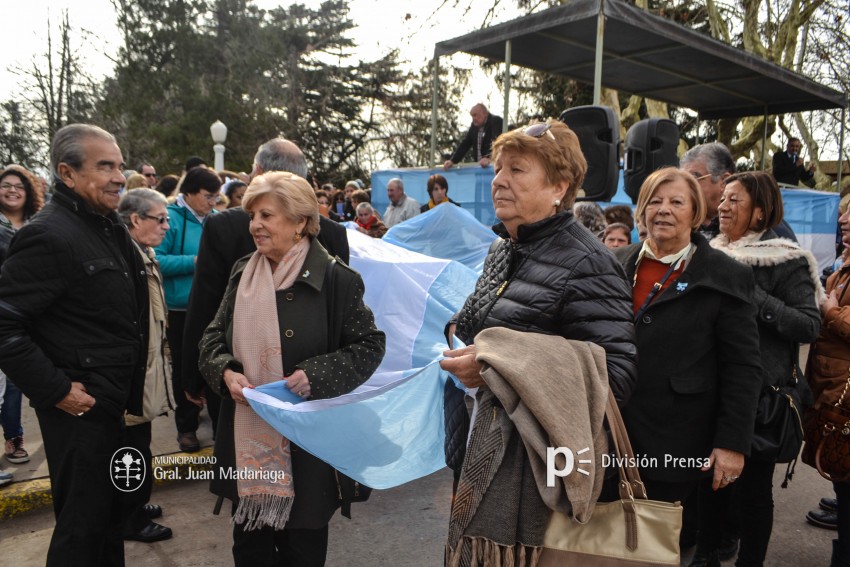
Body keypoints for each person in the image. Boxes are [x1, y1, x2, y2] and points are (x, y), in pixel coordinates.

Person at [440, 120, 638, 563]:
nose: (499, 181)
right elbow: (487, 322)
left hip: (535, 465)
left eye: (517, 170)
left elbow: (616, 378)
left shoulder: (590, 262)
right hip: (480, 443)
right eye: (498, 169)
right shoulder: (503, 247)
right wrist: (460, 332)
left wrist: (498, 368)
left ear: (559, 187)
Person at [198, 171, 385, 566]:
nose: (255, 226)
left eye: (266, 215)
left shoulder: (336, 279)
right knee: (250, 550)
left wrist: (315, 375)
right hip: (248, 443)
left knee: (302, 549)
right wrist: (226, 372)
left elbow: (370, 346)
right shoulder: (243, 271)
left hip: (308, 447)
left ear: (300, 221)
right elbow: (211, 338)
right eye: (252, 216)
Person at [0, 124, 148, 565]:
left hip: (113, 404)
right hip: (80, 410)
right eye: (105, 166)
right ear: (67, 173)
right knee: (82, 530)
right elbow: (5, 326)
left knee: (109, 519)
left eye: (120, 165)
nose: (119, 176)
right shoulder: (49, 234)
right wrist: (58, 391)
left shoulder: (107, 225)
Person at [180, 137, 350, 451]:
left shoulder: (223, 227)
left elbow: (203, 308)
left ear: (258, 171)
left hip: (251, 380)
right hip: (272, 383)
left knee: (249, 467)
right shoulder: (334, 231)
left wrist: (194, 376)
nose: (257, 227)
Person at [689, 171, 822, 567]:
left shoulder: (786, 259)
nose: (723, 207)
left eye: (735, 201)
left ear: (760, 213)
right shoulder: (707, 254)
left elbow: (807, 324)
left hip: (758, 395)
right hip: (706, 388)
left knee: (752, 492)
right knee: (707, 482)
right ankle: (706, 554)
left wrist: (752, 292)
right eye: (723, 199)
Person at [614, 167, 762, 511]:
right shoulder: (613, 263)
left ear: (695, 213)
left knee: (654, 540)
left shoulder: (726, 274)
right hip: (605, 431)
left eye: (676, 202)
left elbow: (742, 367)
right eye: (654, 201)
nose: (663, 209)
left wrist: (732, 444)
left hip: (675, 439)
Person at [117, 188, 177, 544]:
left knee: (139, 443)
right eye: (160, 218)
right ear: (136, 220)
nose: (167, 226)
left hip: (146, 371)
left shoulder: (142, 252)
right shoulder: (127, 258)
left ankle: (136, 505)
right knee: (130, 450)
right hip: (132, 377)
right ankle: (130, 518)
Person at [154, 166, 221, 453]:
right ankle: (187, 428)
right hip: (180, 307)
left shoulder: (216, 220)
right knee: (185, 366)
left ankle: (221, 427)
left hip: (213, 306)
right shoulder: (169, 218)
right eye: (208, 196)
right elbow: (155, 259)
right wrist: (194, 262)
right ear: (189, 193)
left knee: (216, 364)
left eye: (216, 197)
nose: (213, 203)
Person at [805, 205, 850, 567]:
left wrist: (831, 312)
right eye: (844, 214)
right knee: (841, 472)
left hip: (845, 393)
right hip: (833, 389)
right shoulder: (844, 265)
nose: (844, 221)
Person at [0, 165, 44, 465]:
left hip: (34, 315)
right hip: (4, 312)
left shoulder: (38, 224)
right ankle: (13, 438)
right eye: (6, 185)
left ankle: (15, 437)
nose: (13, 189)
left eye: (19, 185)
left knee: (20, 380)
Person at [443, 103, 504, 170]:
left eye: (475, 115)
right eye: (472, 116)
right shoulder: (474, 126)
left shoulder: (496, 121)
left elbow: (496, 140)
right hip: (479, 167)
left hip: (493, 167)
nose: (473, 119)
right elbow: (466, 143)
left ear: (485, 113)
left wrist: (488, 157)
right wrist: (453, 160)